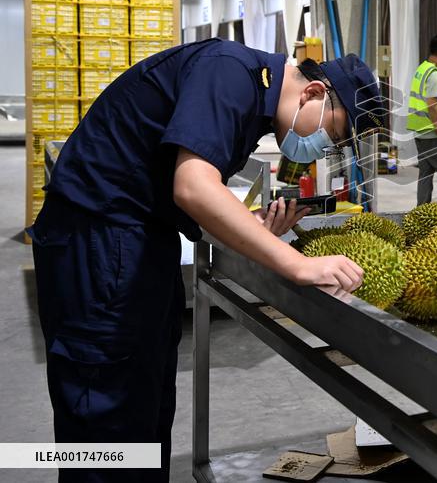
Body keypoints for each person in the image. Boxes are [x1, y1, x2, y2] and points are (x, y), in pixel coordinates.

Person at [27, 38, 387, 481]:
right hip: (97, 244)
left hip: (136, 240)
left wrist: (250, 227)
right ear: (313, 93)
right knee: (105, 408)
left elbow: (188, 191)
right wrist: (296, 264)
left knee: (145, 401)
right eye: (332, 134)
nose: (322, 147)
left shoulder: (251, 93)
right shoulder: (230, 72)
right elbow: (193, 186)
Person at [406, 34, 437, 205]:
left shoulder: (421, 69)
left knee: (425, 174)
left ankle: (422, 212)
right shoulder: (434, 74)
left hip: (420, 132)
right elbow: (432, 106)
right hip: (433, 133)